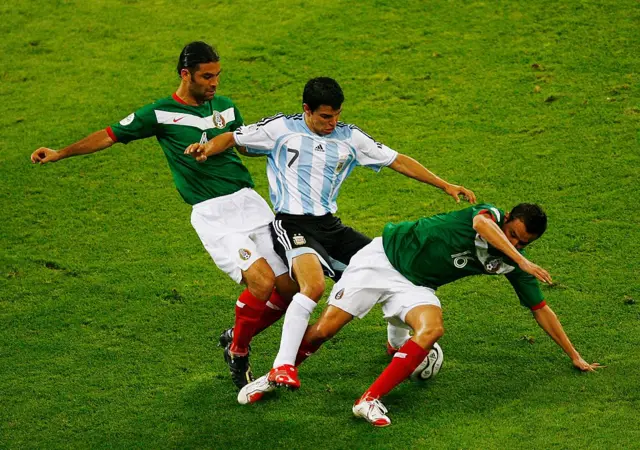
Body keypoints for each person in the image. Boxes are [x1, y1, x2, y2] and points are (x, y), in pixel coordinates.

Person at [30, 41, 297, 390]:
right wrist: (60, 153)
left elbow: (243, 145)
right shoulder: (159, 113)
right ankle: (239, 350)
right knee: (261, 283)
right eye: (206, 76)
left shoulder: (227, 108)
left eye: (217, 75)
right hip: (214, 214)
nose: (215, 83)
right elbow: (109, 135)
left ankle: (236, 331)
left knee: (289, 287)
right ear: (185, 74)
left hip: (250, 202)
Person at [184, 77, 477, 390]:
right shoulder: (281, 129)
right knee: (312, 286)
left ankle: (397, 342)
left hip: (330, 226)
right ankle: (283, 366)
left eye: (336, 115)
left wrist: (444, 184)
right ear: (307, 110)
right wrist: (206, 149)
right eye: (325, 116)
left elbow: (397, 160)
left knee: (392, 268)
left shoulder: (349, 137)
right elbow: (233, 136)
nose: (332, 122)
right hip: (291, 224)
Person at [237, 202, 603, 426]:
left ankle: (369, 400)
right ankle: (274, 375)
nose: (515, 245)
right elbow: (482, 226)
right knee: (323, 331)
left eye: (524, 243)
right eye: (513, 235)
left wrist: (575, 356)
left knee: (432, 330)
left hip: (416, 285)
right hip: (381, 260)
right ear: (506, 219)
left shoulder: (509, 263)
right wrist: (522, 258)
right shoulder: (487, 214)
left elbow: (541, 309)